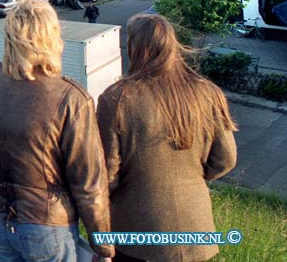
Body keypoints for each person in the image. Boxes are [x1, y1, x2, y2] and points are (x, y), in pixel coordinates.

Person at [0, 0, 114, 262]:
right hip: (46, 226)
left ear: (10, 37)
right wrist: (103, 247)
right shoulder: (70, 97)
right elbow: (89, 185)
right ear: (51, 38)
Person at [97, 14, 237, 262]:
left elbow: (107, 173)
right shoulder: (208, 92)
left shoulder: (117, 98)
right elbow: (226, 159)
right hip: (195, 230)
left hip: (138, 231)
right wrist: (191, 178)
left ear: (134, 48)